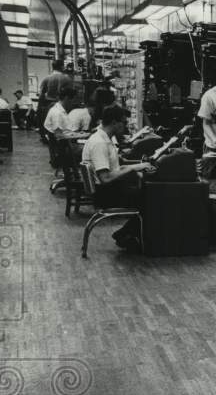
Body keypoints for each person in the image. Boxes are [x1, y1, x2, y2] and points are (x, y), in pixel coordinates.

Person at [81, 104, 153, 251]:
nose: (125, 126)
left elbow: (114, 169)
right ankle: (129, 235)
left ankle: (126, 234)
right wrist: (133, 168)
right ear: (114, 122)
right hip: (106, 194)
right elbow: (105, 178)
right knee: (153, 198)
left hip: (109, 189)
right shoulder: (100, 143)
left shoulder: (104, 138)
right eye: (124, 122)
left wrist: (134, 167)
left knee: (149, 195)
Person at [38, 59, 70, 141]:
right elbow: (69, 94)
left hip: (48, 105)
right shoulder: (66, 78)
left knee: (49, 125)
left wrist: (40, 108)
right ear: (62, 67)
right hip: (62, 104)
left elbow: (41, 94)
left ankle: (49, 139)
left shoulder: (46, 78)